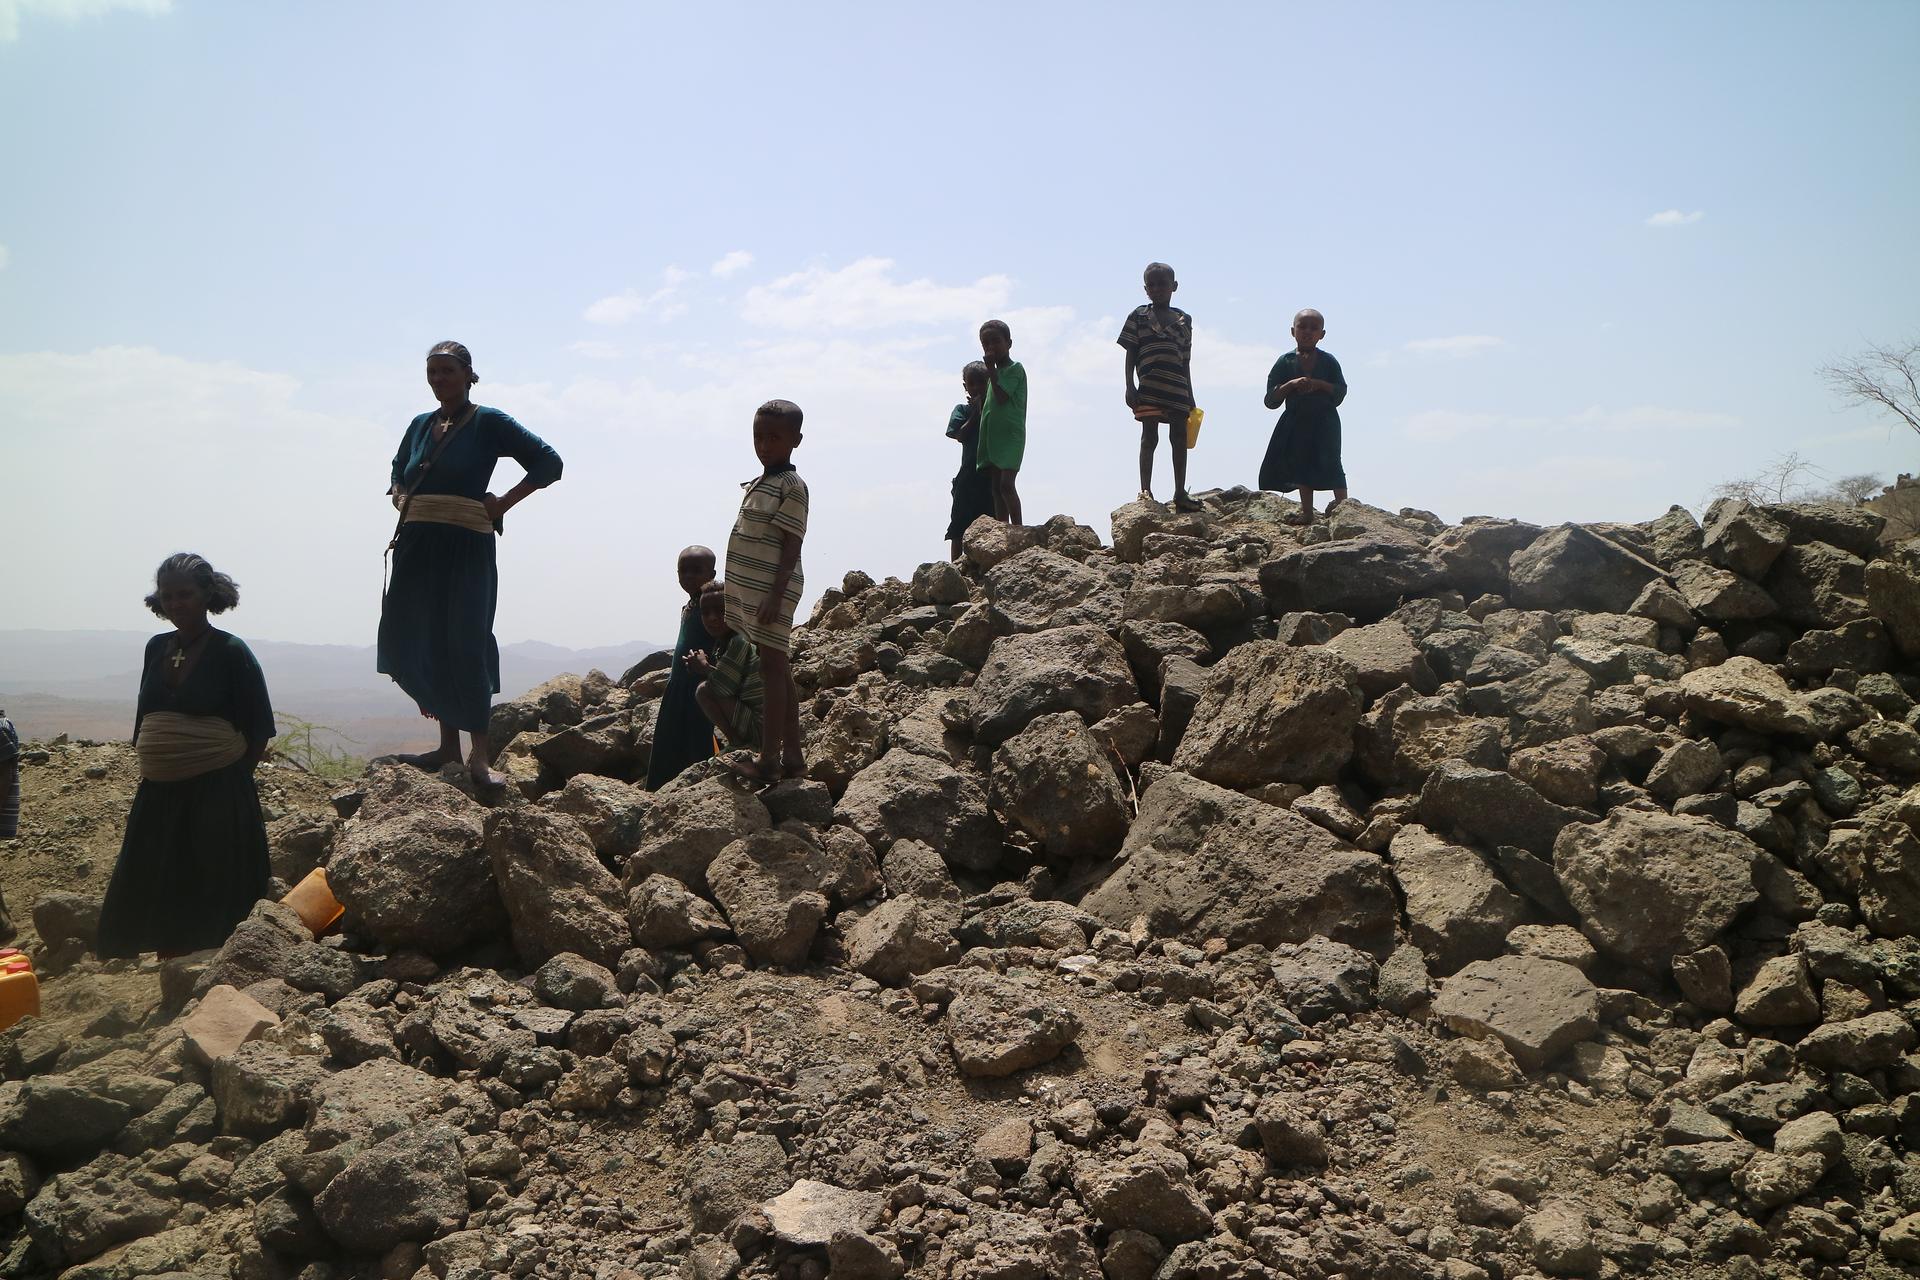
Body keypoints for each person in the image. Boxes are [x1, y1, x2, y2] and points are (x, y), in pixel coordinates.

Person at [377, 340, 562, 787]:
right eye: (432, 372)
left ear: (467, 374)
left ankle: (479, 756)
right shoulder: (420, 424)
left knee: (466, 639)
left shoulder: (489, 422)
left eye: (447, 371)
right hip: (418, 544)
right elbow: (398, 470)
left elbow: (548, 463)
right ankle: (446, 746)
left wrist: (502, 505)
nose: (439, 379)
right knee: (421, 636)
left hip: (465, 545)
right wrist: (403, 498)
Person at [96, 554, 274, 959]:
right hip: (159, 791)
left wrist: (228, 779)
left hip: (217, 790)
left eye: (185, 595)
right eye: (168, 595)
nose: (176, 603)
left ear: (207, 595)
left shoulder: (231, 651)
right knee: (163, 879)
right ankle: (169, 965)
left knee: (210, 880)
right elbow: (146, 713)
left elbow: (259, 728)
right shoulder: (157, 648)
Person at [724, 399, 808, 784]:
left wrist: (775, 595)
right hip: (757, 592)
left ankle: (768, 758)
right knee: (777, 667)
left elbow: (792, 546)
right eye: (759, 436)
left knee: (771, 668)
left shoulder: (792, 486)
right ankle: (792, 755)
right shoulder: (761, 482)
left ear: (796, 440)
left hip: (774, 590)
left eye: (774, 438)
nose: (764, 445)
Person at [1119, 262, 1201, 511]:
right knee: (1149, 437)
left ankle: (1179, 493)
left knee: (1178, 437)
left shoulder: (1184, 320)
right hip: (1149, 387)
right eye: (1151, 285)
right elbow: (1131, 352)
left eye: (1162, 284)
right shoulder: (1139, 316)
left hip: (1176, 387)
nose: (1157, 289)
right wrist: (1129, 386)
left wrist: (1191, 396)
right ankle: (1146, 491)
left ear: (1173, 286)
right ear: (1145, 289)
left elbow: (1185, 361)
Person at [1260, 309, 1349, 524]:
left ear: (1322, 334)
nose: (1308, 332)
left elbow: (1340, 391)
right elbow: (1271, 399)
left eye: (1314, 328)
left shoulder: (1329, 361)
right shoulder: (1286, 361)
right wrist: (1291, 384)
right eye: (1302, 327)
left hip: (1325, 420)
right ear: (1293, 331)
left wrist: (1319, 385)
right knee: (1301, 464)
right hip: (1296, 420)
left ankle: (1345, 510)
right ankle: (1307, 513)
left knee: (1331, 461)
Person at [644, 545, 720, 789]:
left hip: (699, 684)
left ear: (712, 573)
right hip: (678, 685)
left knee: (696, 737)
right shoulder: (690, 606)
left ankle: (698, 786)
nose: (688, 576)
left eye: (696, 570)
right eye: (683, 571)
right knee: (669, 738)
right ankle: (662, 788)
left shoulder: (714, 605)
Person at [688, 582, 764, 750]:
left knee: (703, 691)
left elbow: (722, 689)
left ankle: (737, 743)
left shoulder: (740, 640)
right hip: (762, 725)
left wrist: (704, 666)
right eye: (705, 613)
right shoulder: (727, 641)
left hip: (762, 728)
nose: (712, 618)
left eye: (720, 611)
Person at [976, 320, 1027, 526]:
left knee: (1007, 484)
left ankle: (1017, 528)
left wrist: (991, 371)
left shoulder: (1015, 369)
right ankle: (1001, 527)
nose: (990, 347)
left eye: (996, 341)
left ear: (1009, 343)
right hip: (993, 436)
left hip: (1010, 436)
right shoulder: (992, 377)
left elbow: (1002, 397)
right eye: (985, 343)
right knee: (996, 486)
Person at [943, 361, 995, 560]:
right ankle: (956, 568)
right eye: (971, 384)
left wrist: (985, 410)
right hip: (968, 477)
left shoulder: (994, 413)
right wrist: (976, 413)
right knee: (959, 527)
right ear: (965, 386)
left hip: (990, 476)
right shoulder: (962, 411)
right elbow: (959, 435)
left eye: (981, 383)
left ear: (989, 383)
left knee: (991, 525)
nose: (976, 388)